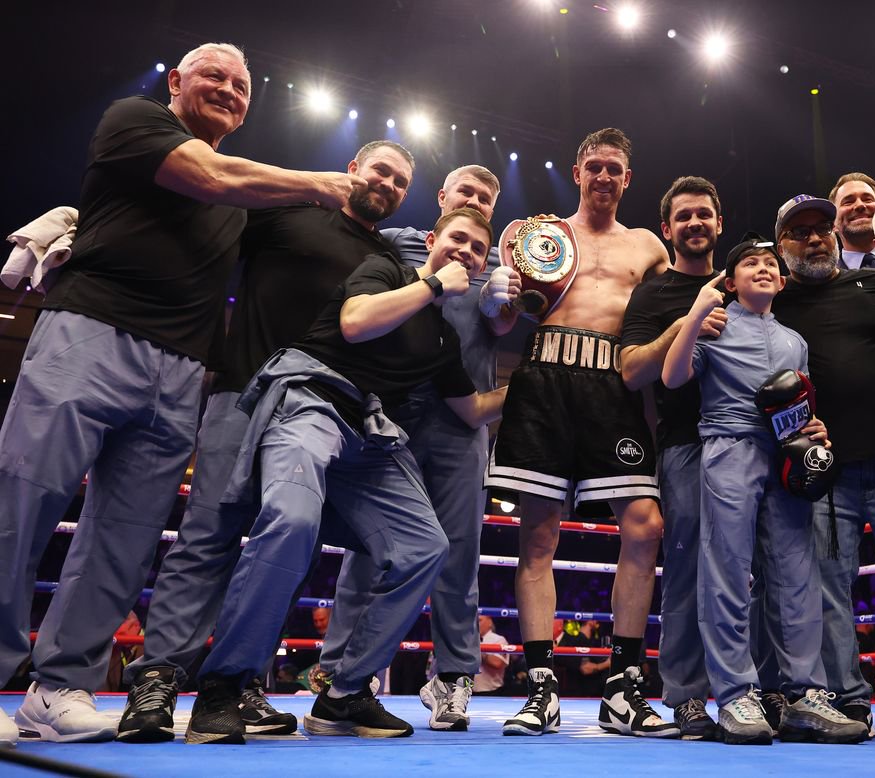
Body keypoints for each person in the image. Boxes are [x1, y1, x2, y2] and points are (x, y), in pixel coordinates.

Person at [0, 42, 359, 745]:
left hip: (181, 371)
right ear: (176, 83)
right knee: (23, 501)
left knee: (125, 537)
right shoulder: (134, 120)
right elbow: (213, 176)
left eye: (241, 84)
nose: (228, 89)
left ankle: (59, 686)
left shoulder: (241, 198)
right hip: (90, 332)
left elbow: (300, 241)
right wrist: (320, 182)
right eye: (214, 77)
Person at [116, 138, 414, 743]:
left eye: (401, 182)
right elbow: (196, 223)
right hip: (246, 392)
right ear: (353, 168)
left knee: (288, 543)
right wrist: (74, 223)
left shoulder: (388, 258)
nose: (387, 185)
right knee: (210, 534)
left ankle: (243, 681)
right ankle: (156, 682)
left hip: (324, 413)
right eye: (381, 170)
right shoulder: (288, 211)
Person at [183, 208, 506, 744]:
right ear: (432, 240)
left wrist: (539, 385)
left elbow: (472, 409)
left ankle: (345, 691)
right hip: (310, 398)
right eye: (457, 239)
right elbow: (355, 324)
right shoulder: (384, 270)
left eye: (477, 249)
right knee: (291, 518)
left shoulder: (445, 339)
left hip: (370, 429)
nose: (466, 253)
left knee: (426, 546)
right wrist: (430, 284)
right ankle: (222, 685)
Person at [484, 128, 677, 738]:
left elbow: (669, 309)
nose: (603, 177)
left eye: (614, 169)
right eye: (594, 166)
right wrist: (499, 295)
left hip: (614, 385)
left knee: (645, 524)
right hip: (543, 378)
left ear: (627, 179)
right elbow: (505, 319)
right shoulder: (536, 233)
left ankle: (624, 687)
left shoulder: (648, 245)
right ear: (576, 171)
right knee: (537, 538)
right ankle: (541, 688)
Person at [314, 164, 510, 733]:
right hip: (387, 410)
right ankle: (344, 672)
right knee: (368, 548)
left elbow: (520, 318)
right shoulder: (398, 243)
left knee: (457, 553)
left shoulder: (500, 264)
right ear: (442, 200)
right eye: (464, 192)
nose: (473, 201)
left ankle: (452, 679)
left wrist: (512, 303)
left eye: (484, 197)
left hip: (461, 415)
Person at [662, 232, 868, 746]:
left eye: (770, 263)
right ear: (730, 282)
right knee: (727, 568)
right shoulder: (712, 323)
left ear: (781, 279)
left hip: (785, 453)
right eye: (750, 263)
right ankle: (734, 695)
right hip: (728, 445)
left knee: (797, 571)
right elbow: (670, 377)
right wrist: (695, 315)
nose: (762, 268)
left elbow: (797, 401)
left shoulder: (795, 339)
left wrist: (812, 428)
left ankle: (804, 695)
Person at [767, 190, 875, 740]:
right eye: (801, 231)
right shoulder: (771, 300)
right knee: (827, 589)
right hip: (824, 470)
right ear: (782, 246)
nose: (815, 237)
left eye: (823, 228)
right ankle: (847, 700)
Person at [620, 176, 727, 740]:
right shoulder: (654, 293)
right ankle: (686, 698)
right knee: (685, 572)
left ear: (718, 223)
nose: (693, 223)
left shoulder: (744, 282)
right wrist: (684, 327)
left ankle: (758, 692)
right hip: (685, 446)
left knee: (754, 571)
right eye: (682, 216)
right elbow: (632, 370)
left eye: (703, 214)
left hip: (752, 447)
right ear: (668, 229)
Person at [473, 615, 510, 695]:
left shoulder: (498, 639)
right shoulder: (467, 639)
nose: (475, 623)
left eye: (479, 620)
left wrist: (475, 648)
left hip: (492, 692)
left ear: (489, 622)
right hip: (468, 692)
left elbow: (497, 663)